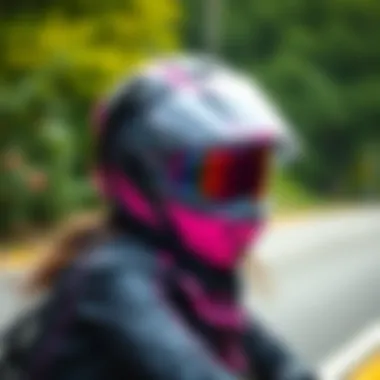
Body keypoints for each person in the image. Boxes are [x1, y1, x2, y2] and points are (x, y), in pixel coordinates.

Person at [19, 55, 316, 379]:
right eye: (217, 178)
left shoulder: (196, 278)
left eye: (248, 175)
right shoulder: (113, 278)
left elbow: (282, 365)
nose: (240, 200)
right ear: (141, 174)